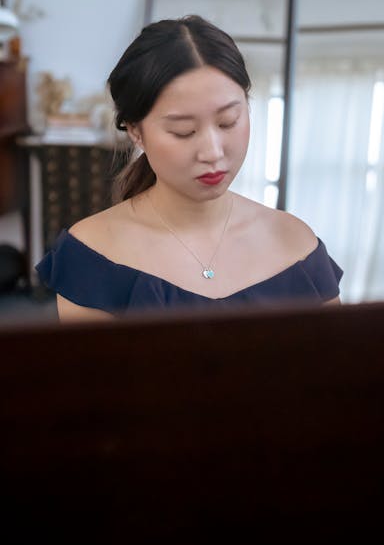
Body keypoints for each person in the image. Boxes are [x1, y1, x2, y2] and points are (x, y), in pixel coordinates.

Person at [36, 16, 343, 321]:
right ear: (135, 131)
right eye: (183, 131)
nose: (213, 152)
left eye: (228, 122)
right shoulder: (93, 254)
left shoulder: (297, 245)